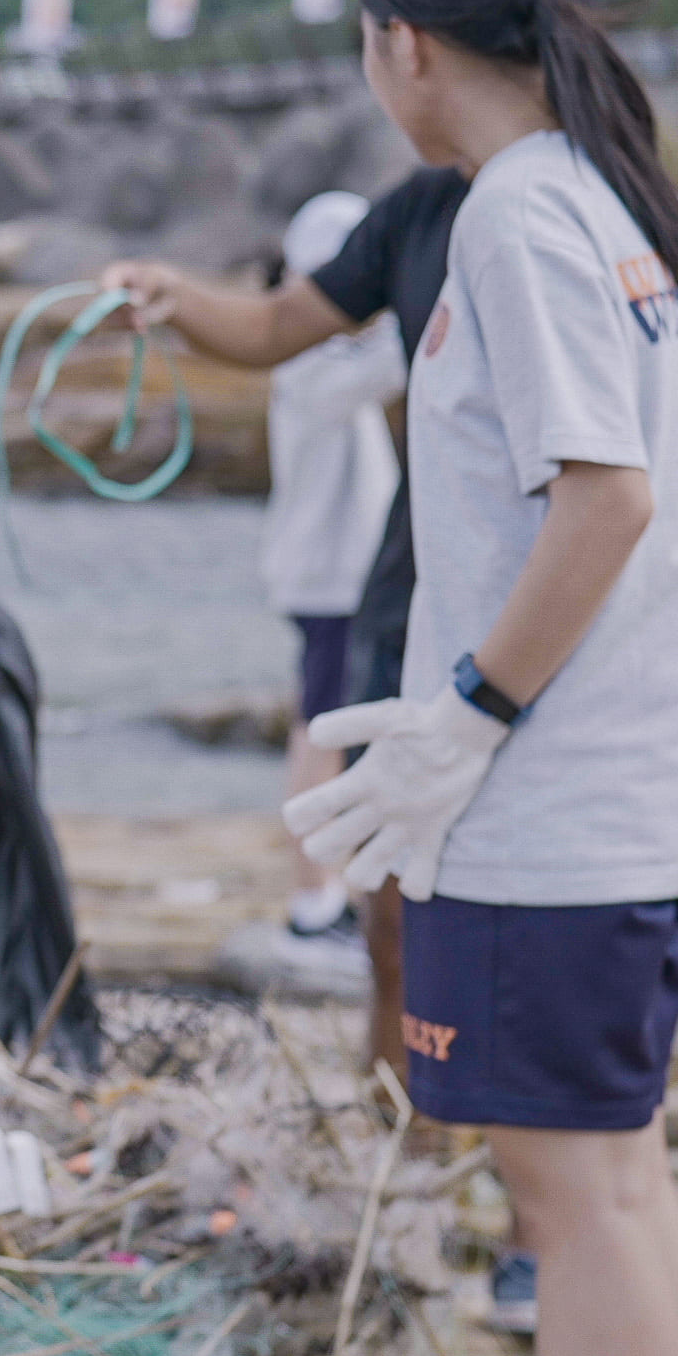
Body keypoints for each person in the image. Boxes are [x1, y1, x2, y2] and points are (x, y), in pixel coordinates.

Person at [277, 0, 678, 1356]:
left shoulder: (520, 220)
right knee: (621, 1178)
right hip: (646, 772)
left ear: (403, 44)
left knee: (576, 1199)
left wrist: (468, 709)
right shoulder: (632, 199)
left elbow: (604, 496)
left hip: (566, 797)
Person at [103, 160, 541, 1332]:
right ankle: (410, 1172)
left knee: (520, 935)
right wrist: (170, 296)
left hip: (520, 622)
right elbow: (280, 329)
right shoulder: (409, 221)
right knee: (396, 917)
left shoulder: (567, 210)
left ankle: (528, 1220)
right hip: (394, 602)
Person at [255, 191, 404, 941]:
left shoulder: (324, 349)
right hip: (328, 579)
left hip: (336, 576)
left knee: (330, 727)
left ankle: (329, 889)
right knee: (321, 731)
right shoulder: (307, 355)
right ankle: (313, 899)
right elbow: (379, 374)